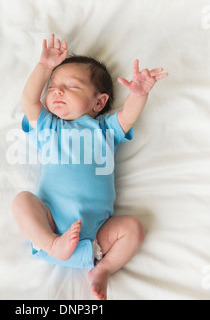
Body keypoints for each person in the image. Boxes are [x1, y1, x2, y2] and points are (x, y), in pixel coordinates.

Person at [11, 34, 168, 300]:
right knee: (22, 201)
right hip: (51, 223)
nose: (57, 90)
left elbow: (127, 116)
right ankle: (52, 244)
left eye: (71, 86)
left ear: (99, 102)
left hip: (97, 237)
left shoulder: (105, 130)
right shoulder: (50, 127)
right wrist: (44, 67)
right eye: (52, 87)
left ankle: (103, 270)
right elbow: (29, 101)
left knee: (133, 228)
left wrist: (139, 94)